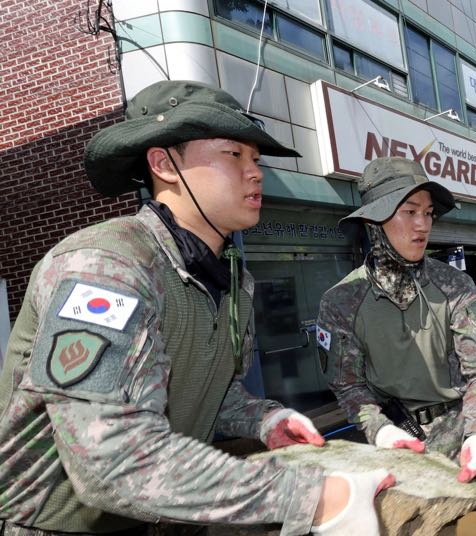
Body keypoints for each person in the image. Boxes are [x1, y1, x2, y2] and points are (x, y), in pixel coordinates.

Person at [0, 80, 391, 535]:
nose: (255, 172)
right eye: (233, 155)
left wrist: (266, 418)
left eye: (256, 159)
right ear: (164, 164)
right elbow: (110, 461)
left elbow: (207, 388)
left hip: (176, 518)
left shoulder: (229, 277)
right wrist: (313, 497)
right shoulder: (105, 266)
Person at [317, 157, 476, 535]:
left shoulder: (454, 286)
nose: (423, 224)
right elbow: (348, 386)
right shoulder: (342, 301)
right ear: (375, 220)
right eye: (409, 212)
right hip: (402, 444)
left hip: (463, 426)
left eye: (427, 213)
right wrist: (381, 431)